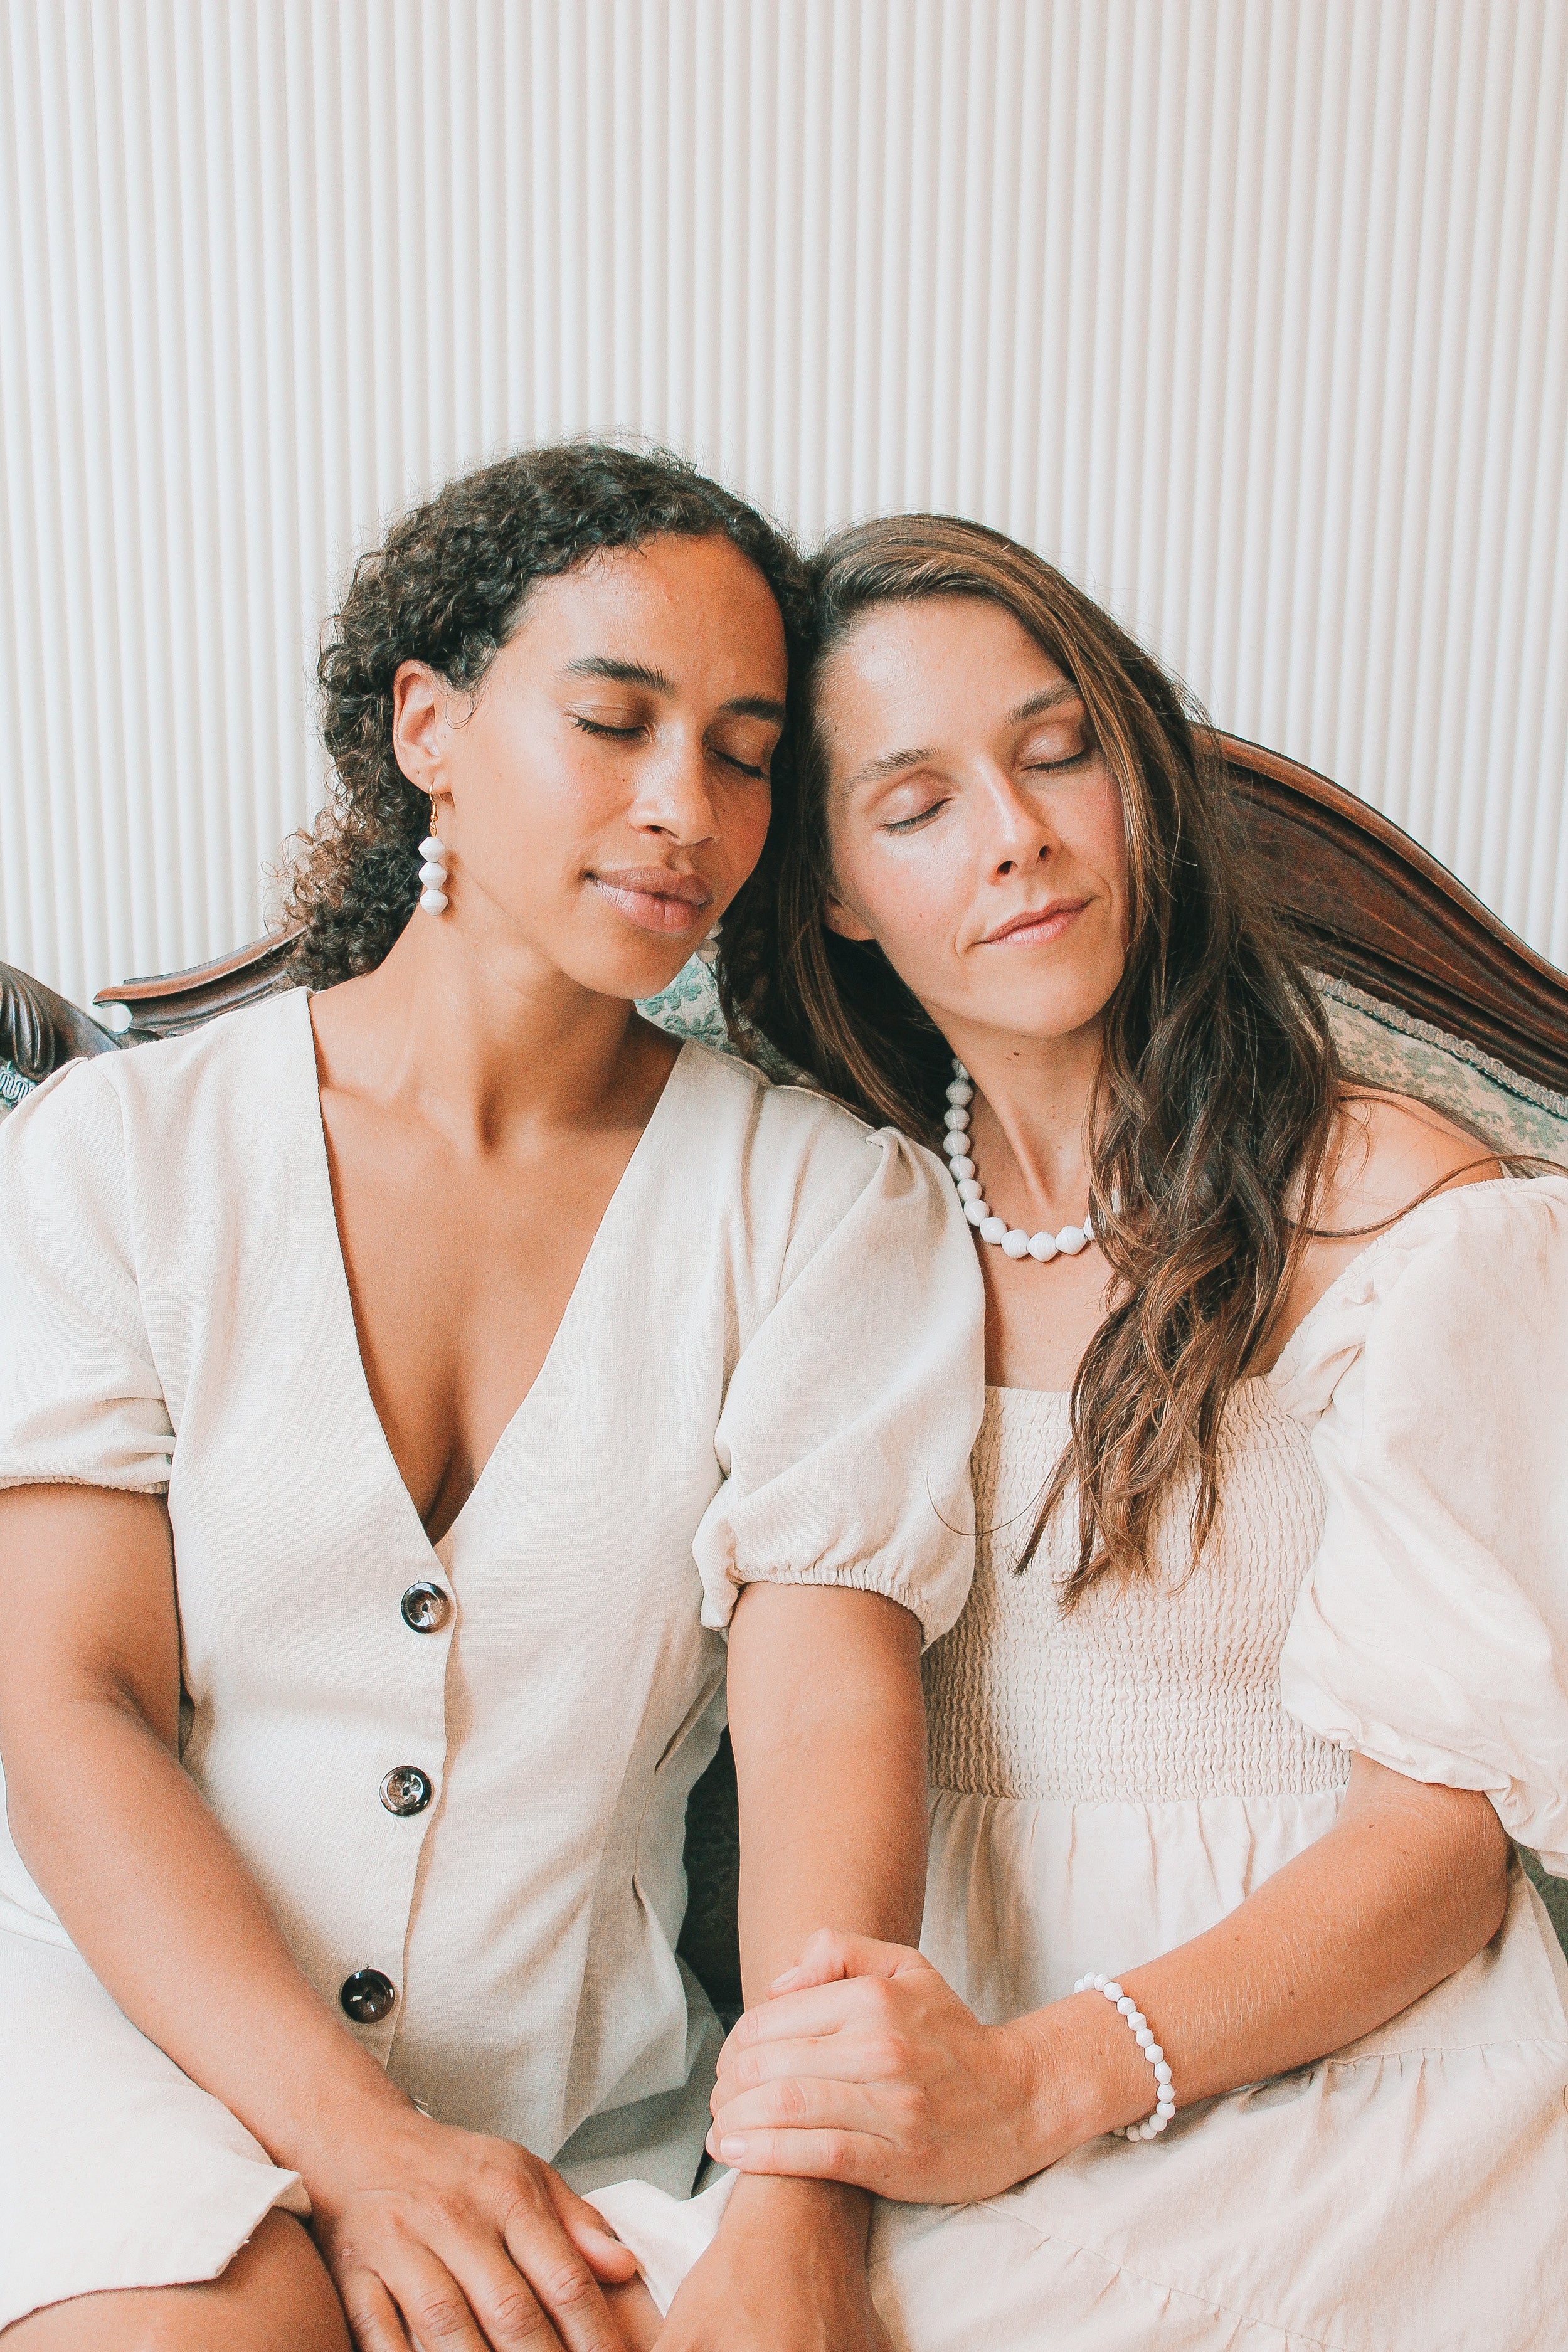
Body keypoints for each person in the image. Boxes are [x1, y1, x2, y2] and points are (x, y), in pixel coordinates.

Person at [0, 454, 987, 2351]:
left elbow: (820, 1727)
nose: (685, 808)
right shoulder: (123, 1155)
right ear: (428, 728)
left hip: (575, 2122)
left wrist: (801, 2201)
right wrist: (357, 2149)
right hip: (104, 2036)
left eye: (746, 756)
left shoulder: (823, 1209)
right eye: (614, 722)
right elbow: (68, 1701)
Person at [593, 514, 1568, 2349]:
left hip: (1338, 2090)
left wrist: (1038, 2085)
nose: (1016, 836)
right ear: (830, 891)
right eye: (915, 806)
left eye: (1057, 757)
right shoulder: (843, 1233)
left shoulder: (1403, 1215)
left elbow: (1439, 1856)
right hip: (925, 2082)